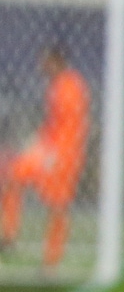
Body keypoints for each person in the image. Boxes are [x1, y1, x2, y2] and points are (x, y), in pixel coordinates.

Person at [1, 46, 90, 270]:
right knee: (12, 174)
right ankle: (8, 234)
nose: (41, 66)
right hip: (49, 150)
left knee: (58, 206)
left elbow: (72, 127)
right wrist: (37, 141)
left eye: (45, 62)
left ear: (56, 61)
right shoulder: (56, 85)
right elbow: (53, 124)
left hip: (64, 155)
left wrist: (55, 152)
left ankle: (52, 258)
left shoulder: (71, 87)